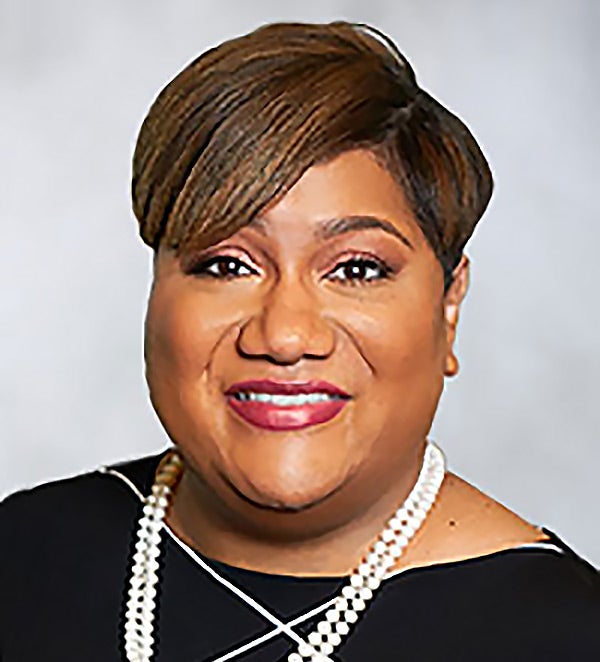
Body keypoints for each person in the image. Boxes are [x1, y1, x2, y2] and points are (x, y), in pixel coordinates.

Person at [1, 20, 598, 662]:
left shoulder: (564, 634)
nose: (285, 336)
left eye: (357, 268)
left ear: (448, 306)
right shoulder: (23, 553)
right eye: (226, 264)